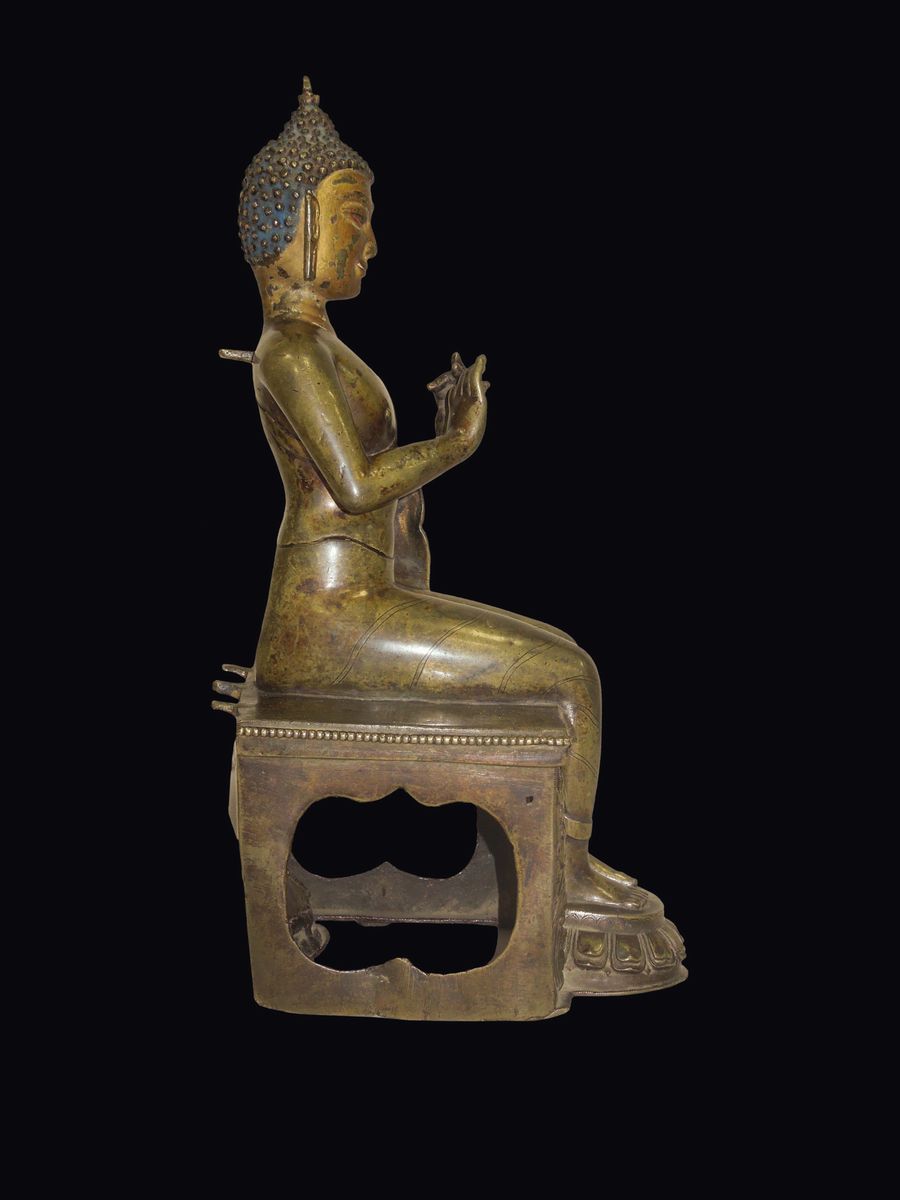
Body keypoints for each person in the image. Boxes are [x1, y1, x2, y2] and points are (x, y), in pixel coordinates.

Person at [238, 78, 646, 911]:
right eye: (354, 217)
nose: (370, 242)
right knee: (571, 674)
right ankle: (568, 880)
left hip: (358, 599)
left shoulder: (316, 343)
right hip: (333, 615)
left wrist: (425, 469)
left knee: (562, 663)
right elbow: (355, 489)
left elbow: (372, 495)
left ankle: (555, 874)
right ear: (300, 225)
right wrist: (454, 445)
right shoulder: (289, 349)